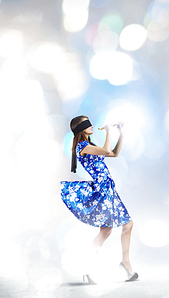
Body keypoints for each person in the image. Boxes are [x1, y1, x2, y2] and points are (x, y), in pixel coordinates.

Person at [60, 115, 138, 283]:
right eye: (85, 124)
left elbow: (114, 153)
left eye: (90, 122)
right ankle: (94, 266)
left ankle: (122, 263)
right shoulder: (83, 146)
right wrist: (109, 131)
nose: (91, 126)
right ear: (79, 129)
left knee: (108, 230)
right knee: (118, 227)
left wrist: (121, 133)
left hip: (109, 189)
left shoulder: (91, 146)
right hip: (102, 191)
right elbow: (105, 150)